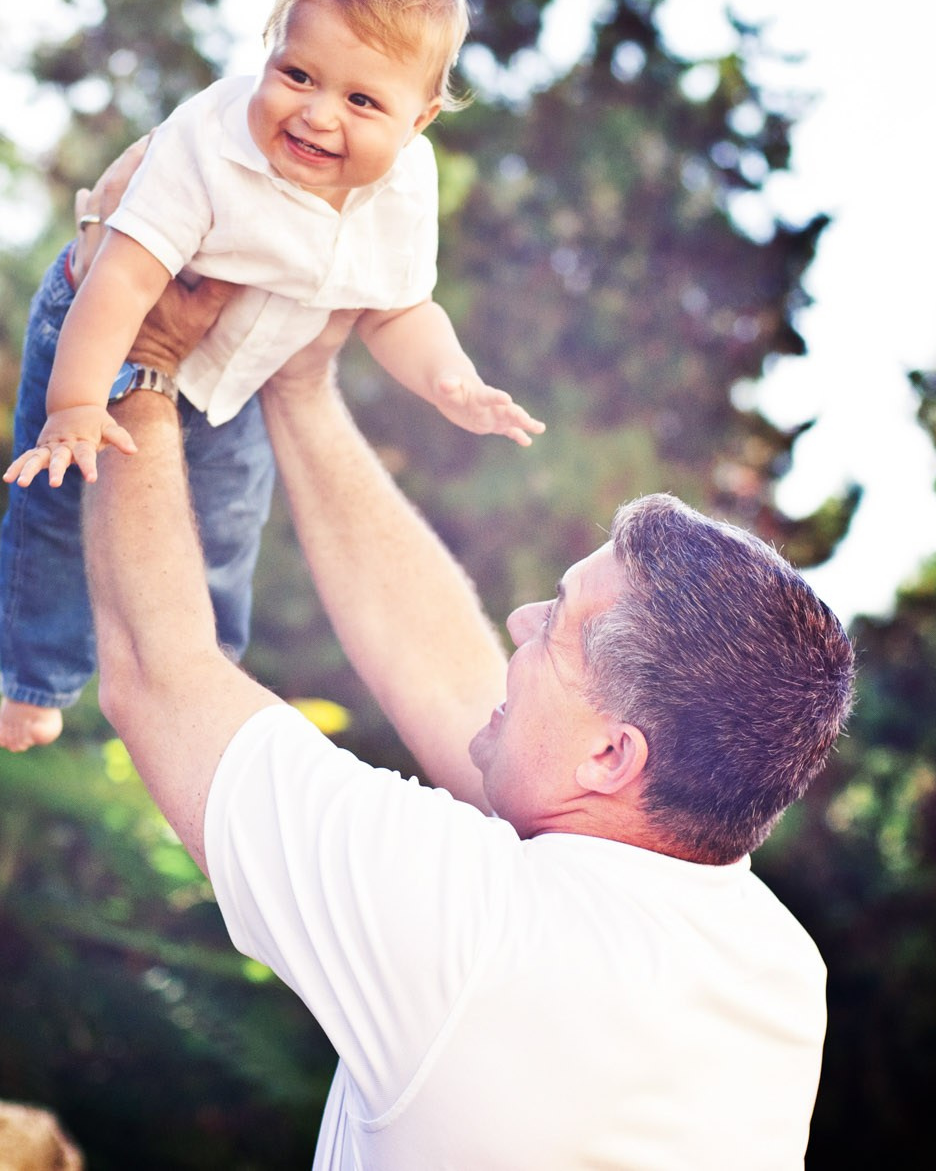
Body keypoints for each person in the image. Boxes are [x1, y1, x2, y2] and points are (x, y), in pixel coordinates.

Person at [78, 177, 857, 1166]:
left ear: (614, 756)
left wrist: (137, 359)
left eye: (557, 628)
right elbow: (464, 697)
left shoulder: (469, 940)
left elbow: (159, 675)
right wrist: (300, 382)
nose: (521, 618)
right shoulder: (773, 967)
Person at [0, 0, 543, 753]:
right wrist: (73, 403)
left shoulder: (403, 189)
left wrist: (449, 379)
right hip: (101, 326)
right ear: (269, 48)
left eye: (362, 100)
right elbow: (126, 277)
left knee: (224, 530)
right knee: (59, 501)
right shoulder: (207, 145)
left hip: (234, 379)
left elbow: (398, 311)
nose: (319, 115)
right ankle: (36, 681)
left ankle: (196, 690)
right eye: (297, 74)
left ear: (420, 119)